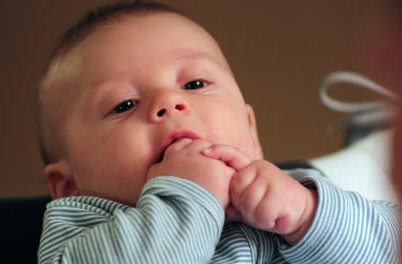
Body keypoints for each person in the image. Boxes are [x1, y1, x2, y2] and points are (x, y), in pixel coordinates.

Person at [37, 1, 400, 263]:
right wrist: (188, 196)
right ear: (68, 188)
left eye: (195, 83)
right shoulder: (78, 235)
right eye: (124, 105)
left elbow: (388, 246)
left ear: (250, 130)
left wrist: (308, 215)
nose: (169, 102)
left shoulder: (289, 193)